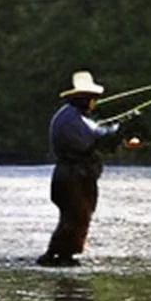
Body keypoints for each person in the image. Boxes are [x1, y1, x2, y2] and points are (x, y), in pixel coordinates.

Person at [37, 70, 128, 267]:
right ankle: (58, 256)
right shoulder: (72, 120)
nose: (95, 103)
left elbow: (97, 134)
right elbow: (96, 139)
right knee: (76, 216)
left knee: (77, 216)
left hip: (73, 176)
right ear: (85, 99)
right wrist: (119, 129)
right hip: (72, 177)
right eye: (93, 99)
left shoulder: (73, 116)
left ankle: (62, 255)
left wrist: (119, 131)